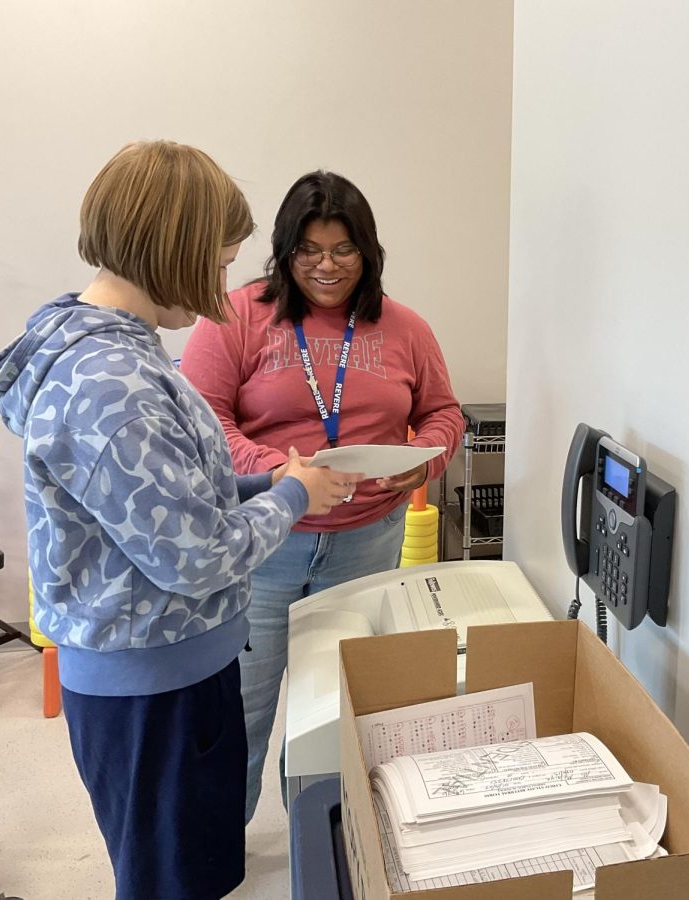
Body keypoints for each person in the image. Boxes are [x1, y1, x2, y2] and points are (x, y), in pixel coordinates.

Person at [0, 142, 361, 900]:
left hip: (175, 666)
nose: (223, 286)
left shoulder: (118, 351)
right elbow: (195, 557)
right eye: (220, 263)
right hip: (153, 691)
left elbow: (169, 496)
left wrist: (267, 481)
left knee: (199, 866)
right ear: (176, 251)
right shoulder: (110, 382)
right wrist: (291, 501)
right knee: (169, 881)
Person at [182, 170, 464, 820]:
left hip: (366, 543)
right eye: (309, 249)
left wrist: (423, 463)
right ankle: (220, 847)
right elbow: (203, 422)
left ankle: (321, 843)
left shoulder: (405, 328)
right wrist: (280, 473)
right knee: (244, 703)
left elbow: (445, 412)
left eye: (344, 249)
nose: (327, 265)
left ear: (369, 253)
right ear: (284, 250)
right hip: (263, 541)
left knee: (333, 703)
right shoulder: (235, 316)